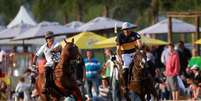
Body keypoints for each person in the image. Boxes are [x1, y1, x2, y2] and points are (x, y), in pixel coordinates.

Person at [116, 22, 141, 94]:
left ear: (130, 29)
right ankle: (126, 85)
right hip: (125, 54)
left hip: (134, 52)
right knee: (126, 68)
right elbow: (118, 49)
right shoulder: (120, 36)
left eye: (128, 29)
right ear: (123, 30)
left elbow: (139, 43)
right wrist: (120, 58)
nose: (126, 30)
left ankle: (154, 78)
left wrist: (139, 48)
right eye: (125, 29)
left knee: (147, 62)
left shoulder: (135, 34)